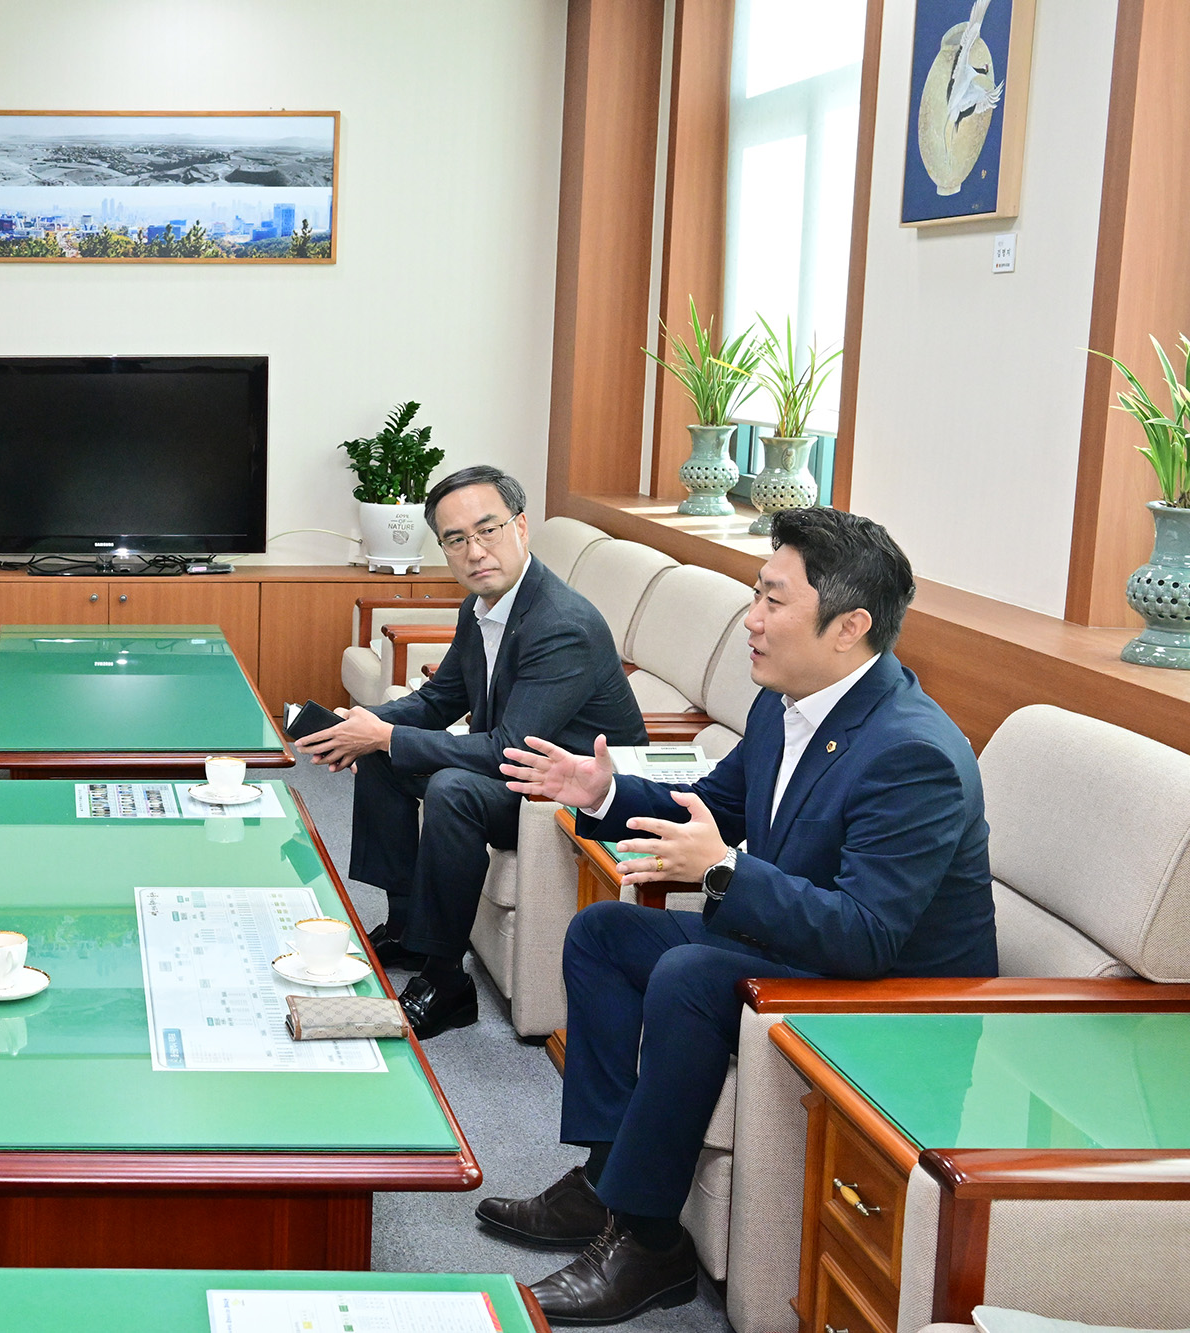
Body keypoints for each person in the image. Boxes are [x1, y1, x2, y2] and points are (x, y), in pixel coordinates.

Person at [487, 507, 997, 1325]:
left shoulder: (913, 753)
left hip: (894, 995)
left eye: (771, 599)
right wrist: (605, 793)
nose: (750, 620)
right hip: (807, 945)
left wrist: (723, 868)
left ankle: (650, 1242)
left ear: (849, 626)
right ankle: (607, 1179)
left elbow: (868, 932)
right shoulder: (785, 702)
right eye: (755, 595)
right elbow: (715, 806)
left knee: (691, 973)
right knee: (605, 934)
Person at [296, 465, 645, 1037]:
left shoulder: (561, 626)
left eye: (488, 530)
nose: (475, 551)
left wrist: (384, 735)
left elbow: (509, 748)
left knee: (450, 788)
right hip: (522, 774)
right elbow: (439, 700)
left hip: (575, 794)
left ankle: (446, 981)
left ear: (522, 527)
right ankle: (408, 928)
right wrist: (359, 725)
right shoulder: (481, 608)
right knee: (386, 756)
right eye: (456, 539)